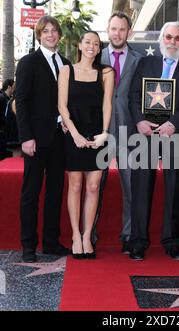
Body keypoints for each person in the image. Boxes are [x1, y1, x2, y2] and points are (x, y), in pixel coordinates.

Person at [128, 21, 179, 260]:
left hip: (177, 135)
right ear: (161, 39)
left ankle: (171, 241)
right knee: (141, 188)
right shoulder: (145, 62)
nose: (172, 42)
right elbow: (133, 95)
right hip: (146, 134)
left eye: (177, 38)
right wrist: (140, 120)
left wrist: (174, 124)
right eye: (169, 37)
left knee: (174, 189)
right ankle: (138, 241)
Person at [16, 16, 71, 263]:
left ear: (59, 35)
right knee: (31, 192)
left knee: (55, 192)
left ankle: (50, 241)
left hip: (61, 139)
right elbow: (22, 102)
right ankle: (28, 245)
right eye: (45, 31)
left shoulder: (67, 64)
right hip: (36, 141)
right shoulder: (29, 62)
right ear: (39, 35)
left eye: (54, 31)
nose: (50, 35)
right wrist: (26, 137)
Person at [58, 31, 114, 259]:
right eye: (87, 42)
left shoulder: (106, 73)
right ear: (79, 45)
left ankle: (87, 235)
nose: (92, 46)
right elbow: (62, 106)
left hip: (97, 136)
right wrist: (74, 134)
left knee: (93, 187)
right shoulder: (66, 70)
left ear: (100, 49)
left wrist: (104, 134)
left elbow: (107, 105)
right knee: (75, 185)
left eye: (96, 44)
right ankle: (74, 235)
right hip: (74, 135)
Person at [91, 11, 143, 254]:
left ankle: (129, 235)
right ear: (107, 30)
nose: (117, 33)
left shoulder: (139, 59)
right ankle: (89, 233)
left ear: (129, 32)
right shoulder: (94, 57)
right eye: (113, 29)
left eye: (122, 29)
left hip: (130, 132)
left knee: (131, 186)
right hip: (98, 132)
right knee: (94, 185)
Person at [0, 79, 15, 159]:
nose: (15, 89)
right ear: (9, 87)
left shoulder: (8, 99)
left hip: (5, 133)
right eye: (14, 87)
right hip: (2, 132)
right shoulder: (2, 98)